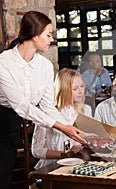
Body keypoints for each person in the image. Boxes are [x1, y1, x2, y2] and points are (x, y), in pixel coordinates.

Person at [0, 11, 85, 189]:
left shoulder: (45, 66)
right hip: (3, 115)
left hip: (12, 122)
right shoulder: (4, 62)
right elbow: (22, 106)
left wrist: (71, 128)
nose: (52, 39)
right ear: (34, 34)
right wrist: (62, 127)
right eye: (48, 34)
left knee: (4, 172)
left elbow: (48, 106)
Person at [32, 68, 92, 169]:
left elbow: (86, 140)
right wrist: (66, 154)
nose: (81, 91)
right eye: (75, 88)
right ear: (63, 90)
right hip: (51, 167)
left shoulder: (85, 110)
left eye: (82, 86)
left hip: (78, 164)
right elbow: (37, 151)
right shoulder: (46, 113)